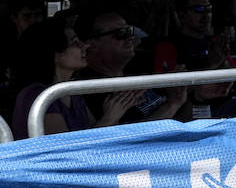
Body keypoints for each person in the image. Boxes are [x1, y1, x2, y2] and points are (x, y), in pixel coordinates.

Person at [10, 16, 140, 138]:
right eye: (75, 43)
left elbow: (94, 132)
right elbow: (63, 151)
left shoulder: (72, 91)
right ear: (55, 54)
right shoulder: (37, 96)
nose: (85, 46)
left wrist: (114, 112)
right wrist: (109, 118)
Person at [75, 9, 185, 124]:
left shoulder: (140, 67)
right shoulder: (89, 89)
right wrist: (173, 104)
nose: (130, 38)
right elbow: (132, 135)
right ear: (92, 44)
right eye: (121, 33)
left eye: (129, 31)